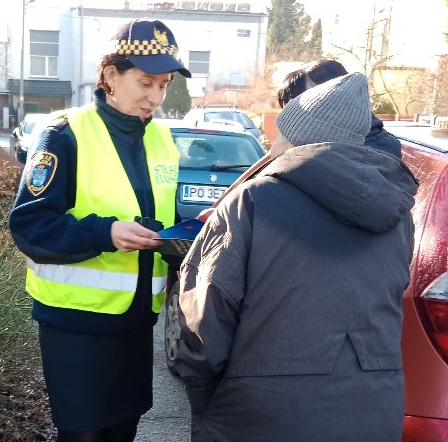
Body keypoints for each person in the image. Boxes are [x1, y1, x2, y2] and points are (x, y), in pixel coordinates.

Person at [173, 73, 419, 442]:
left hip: (260, 415)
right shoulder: (397, 214)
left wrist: (201, 390)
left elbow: (206, 321)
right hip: (371, 413)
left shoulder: (251, 202)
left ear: (295, 134)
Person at [8, 18, 191, 442]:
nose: (156, 97)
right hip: (77, 327)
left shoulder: (162, 139)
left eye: (164, 85)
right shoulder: (63, 134)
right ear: (110, 75)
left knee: (122, 431)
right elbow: (31, 227)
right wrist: (105, 234)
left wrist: (178, 241)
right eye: (146, 82)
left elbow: (158, 213)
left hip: (135, 323)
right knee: (85, 435)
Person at [199, 59, 400, 221]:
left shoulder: (374, 151)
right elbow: (269, 163)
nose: (296, 114)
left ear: (336, 97)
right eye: (289, 106)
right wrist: (219, 208)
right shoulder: (306, 141)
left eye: (303, 103)